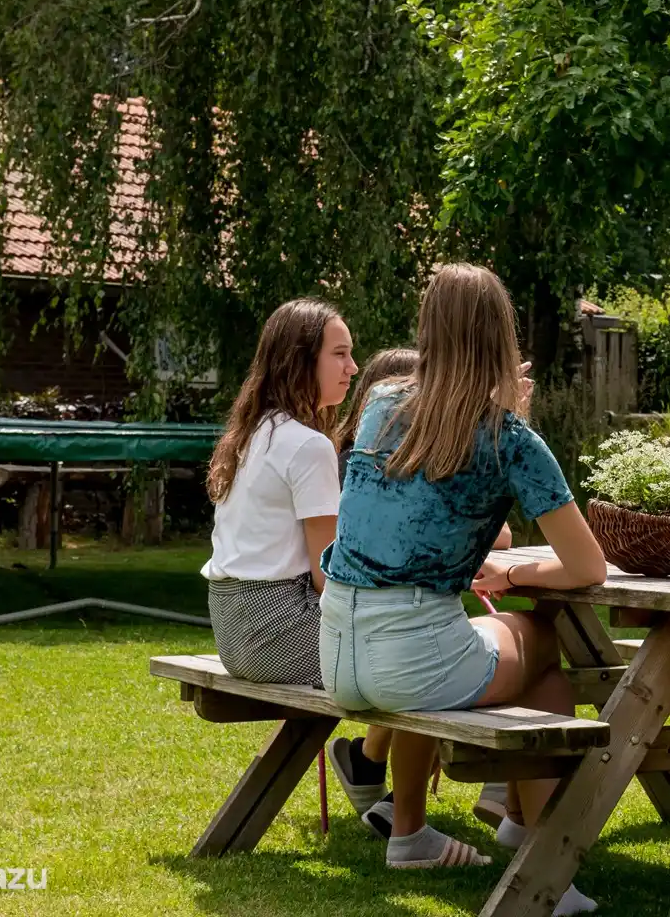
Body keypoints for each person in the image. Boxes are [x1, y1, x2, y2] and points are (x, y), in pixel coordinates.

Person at [319, 263, 603, 916]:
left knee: (474, 641)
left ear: (429, 328)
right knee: (537, 641)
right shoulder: (511, 440)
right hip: (410, 659)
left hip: (339, 656)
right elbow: (588, 568)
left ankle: (437, 828)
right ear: (503, 334)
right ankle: (542, 861)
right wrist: (515, 574)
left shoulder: (380, 406)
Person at [325, 345, 518, 832]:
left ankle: (372, 766)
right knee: (443, 648)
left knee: (425, 644)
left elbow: (504, 535)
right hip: (362, 631)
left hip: (354, 631)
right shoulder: (372, 464)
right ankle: (503, 789)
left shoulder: (371, 453)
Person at [201, 298, 358, 685]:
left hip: (232, 632)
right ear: (301, 361)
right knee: (416, 654)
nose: (352, 368)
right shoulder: (308, 445)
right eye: (339, 355)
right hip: (276, 633)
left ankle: (365, 751)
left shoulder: (252, 434)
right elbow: (328, 575)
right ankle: (369, 751)